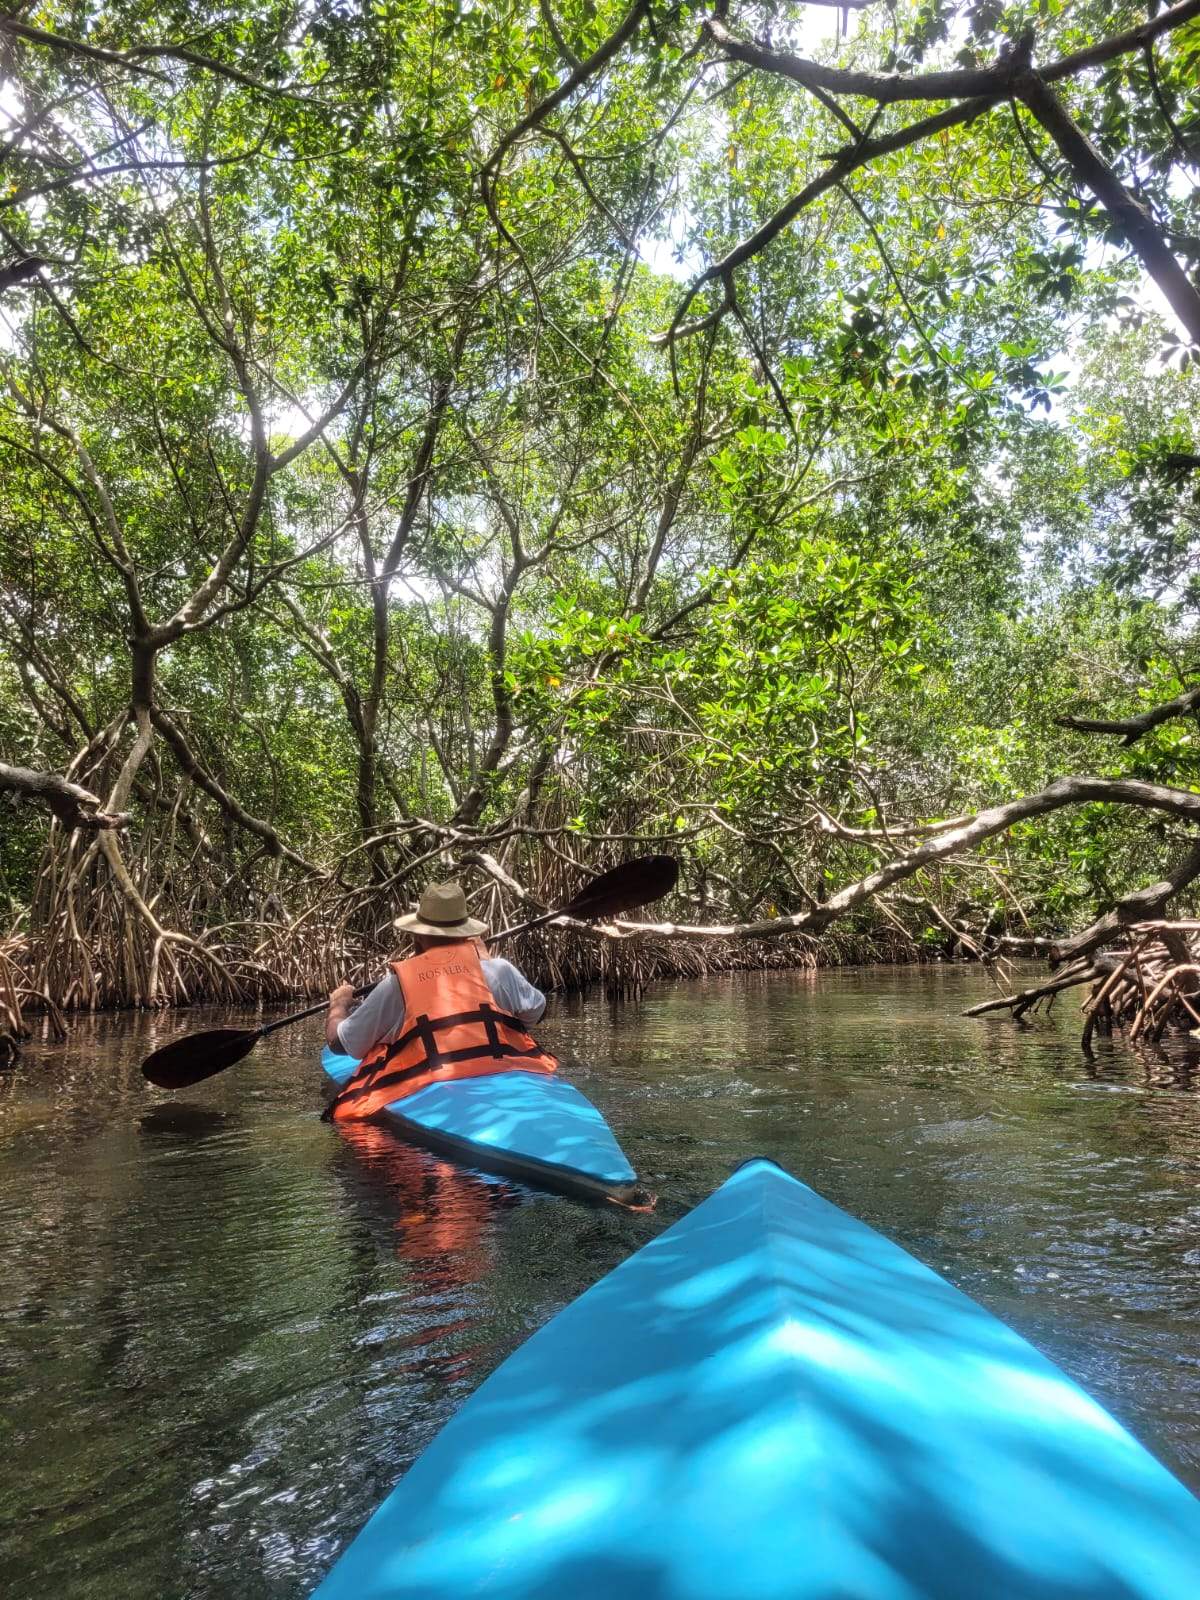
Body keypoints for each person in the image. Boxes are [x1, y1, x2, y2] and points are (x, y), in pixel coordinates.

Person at [325, 879, 556, 1121]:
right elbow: (538, 1012)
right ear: (468, 934)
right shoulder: (500, 971)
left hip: (427, 1083)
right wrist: (485, 965)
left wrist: (338, 1005)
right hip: (505, 1072)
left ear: (417, 936)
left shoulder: (395, 986)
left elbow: (341, 1045)